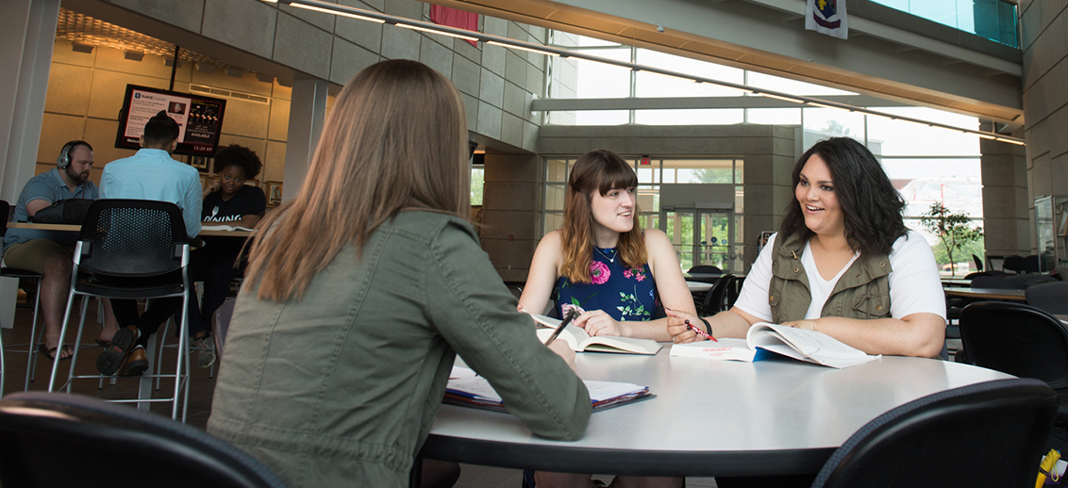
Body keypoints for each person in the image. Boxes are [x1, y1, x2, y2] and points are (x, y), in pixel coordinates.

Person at [208, 60, 590, 488]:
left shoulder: (284, 227)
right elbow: (562, 412)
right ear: (444, 149)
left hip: (227, 471)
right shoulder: (434, 241)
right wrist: (563, 357)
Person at [669, 138, 946, 488]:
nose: (808, 196)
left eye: (825, 187)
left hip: (872, 423)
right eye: (804, 182)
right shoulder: (782, 245)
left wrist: (816, 328)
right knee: (737, 461)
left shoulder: (903, 247)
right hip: (787, 412)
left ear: (857, 192)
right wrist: (704, 324)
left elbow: (924, 337)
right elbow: (746, 319)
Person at [518, 149, 698, 488]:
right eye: (613, 193)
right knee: (556, 476)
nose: (628, 202)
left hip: (648, 389)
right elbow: (523, 323)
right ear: (584, 200)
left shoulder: (653, 244)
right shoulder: (555, 246)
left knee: (662, 479)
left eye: (629, 191)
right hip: (573, 387)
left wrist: (622, 329)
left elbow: (688, 325)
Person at [97, 111, 203, 377]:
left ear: (141, 139)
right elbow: (190, 230)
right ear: (174, 144)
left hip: (112, 268)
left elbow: (104, 221)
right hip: (161, 268)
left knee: (117, 276)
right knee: (185, 281)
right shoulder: (188, 174)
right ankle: (140, 333)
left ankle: (133, 337)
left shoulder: (112, 169)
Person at [3, 140, 111, 359]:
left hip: (68, 246)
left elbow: (104, 216)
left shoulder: (89, 189)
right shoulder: (42, 182)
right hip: (23, 244)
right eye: (82, 163)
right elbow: (37, 211)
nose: (87, 169)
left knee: (109, 261)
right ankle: (53, 337)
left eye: (90, 164)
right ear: (64, 160)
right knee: (60, 263)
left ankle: (112, 330)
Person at [186, 144, 267, 367]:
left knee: (217, 273)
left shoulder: (253, 194)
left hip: (240, 252)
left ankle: (211, 332)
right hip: (211, 249)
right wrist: (203, 195)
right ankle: (199, 334)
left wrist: (214, 225)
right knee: (180, 270)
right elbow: (191, 222)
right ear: (219, 173)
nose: (231, 183)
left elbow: (248, 223)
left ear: (246, 178)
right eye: (227, 176)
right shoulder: (210, 198)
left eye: (238, 179)